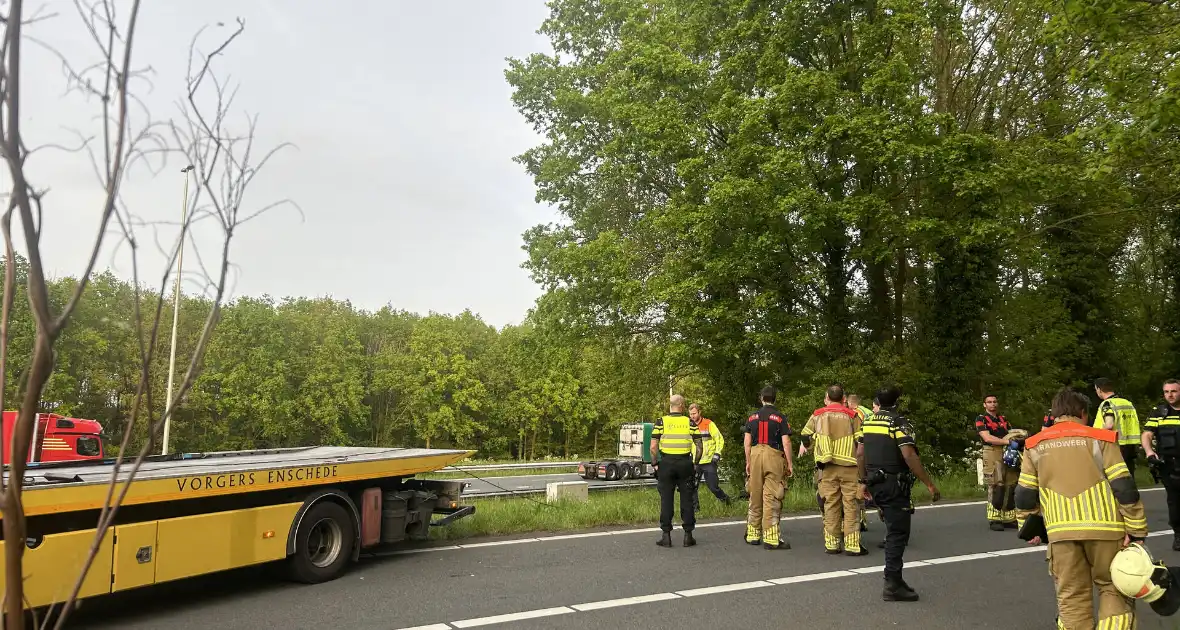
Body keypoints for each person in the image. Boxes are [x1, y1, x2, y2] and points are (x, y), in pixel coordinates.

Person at [1014, 387, 1148, 629]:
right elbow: (1124, 488)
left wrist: (1028, 524)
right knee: (1114, 589)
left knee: (1072, 597)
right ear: (1083, 413)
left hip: (1060, 534)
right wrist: (1137, 531)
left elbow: (1024, 494)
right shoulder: (1101, 439)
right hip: (1106, 531)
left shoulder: (1034, 445)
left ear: (1054, 414)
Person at [858, 384, 939, 601]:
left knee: (893, 527)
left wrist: (863, 480)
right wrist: (929, 484)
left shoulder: (867, 421)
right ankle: (892, 583)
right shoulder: (899, 422)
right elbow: (909, 455)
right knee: (898, 533)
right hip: (893, 483)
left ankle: (896, 579)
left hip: (875, 481)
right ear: (897, 402)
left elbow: (860, 453)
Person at [800, 384, 866, 555]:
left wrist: (811, 444)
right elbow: (861, 442)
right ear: (843, 398)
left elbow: (804, 436)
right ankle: (852, 545)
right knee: (851, 504)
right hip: (850, 466)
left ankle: (832, 544)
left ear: (827, 398)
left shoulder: (818, 415)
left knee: (830, 503)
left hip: (826, 466)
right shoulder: (853, 415)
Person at [650, 394, 704, 548]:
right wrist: (695, 463)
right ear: (682, 406)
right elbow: (699, 446)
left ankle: (666, 536)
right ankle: (688, 536)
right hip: (685, 463)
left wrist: (655, 463)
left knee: (666, 499)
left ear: (670, 406)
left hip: (666, 463)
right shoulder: (690, 422)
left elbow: (653, 446)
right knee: (687, 499)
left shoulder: (661, 422)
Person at [744, 385, 794, 550]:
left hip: (755, 454)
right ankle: (771, 538)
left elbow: (747, 442)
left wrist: (748, 461)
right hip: (773, 456)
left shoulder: (752, 417)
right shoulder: (780, 417)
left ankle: (752, 534)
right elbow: (786, 441)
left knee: (755, 494)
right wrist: (789, 463)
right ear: (775, 398)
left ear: (761, 398)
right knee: (772, 496)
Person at [1143, 379, 1180, 551]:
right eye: (1166, 392)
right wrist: (1150, 452)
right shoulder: (1159, 413)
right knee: (1174, 502)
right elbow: (1147, 435)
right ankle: (1178, 535)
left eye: (1174, 391)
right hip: (1170, 465)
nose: (1170, 395)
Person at [975, 393, 1017, 531]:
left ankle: (1008, 517)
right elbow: (987, 437)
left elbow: (1011, 432)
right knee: (995, 484)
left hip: (1007, 452)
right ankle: (994, 518)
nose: (992, 404)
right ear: (984, 405)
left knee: (1010, 483)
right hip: (992, 451)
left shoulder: (1003, 419)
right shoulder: (981, 419)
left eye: (994, 401)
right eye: (989, 402)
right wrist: (1007, 441)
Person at [1094, 377, 1142, 481]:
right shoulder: (1127, 403)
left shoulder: (1107, 404)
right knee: (1129, 476)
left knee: (1116, 479)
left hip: (1115, 446)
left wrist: (1097, 432)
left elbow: (1109, 424)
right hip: (1131, 446)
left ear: (1099, 389)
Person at [689, 403, 731, 509]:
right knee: (692, 486)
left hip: (709, 461)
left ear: (699, 412)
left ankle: (726, 501)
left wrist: (717, 454)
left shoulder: (709, 424)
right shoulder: (689, 426)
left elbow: (719, 439)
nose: (692, 416)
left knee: (713, 487)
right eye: (690, 414)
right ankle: (695, 509)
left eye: (694, 413)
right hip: (696, 461)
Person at [847, 393, 874, 532]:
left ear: (851, 404)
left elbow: (858, 436)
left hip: (862, 451)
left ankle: (861, 519)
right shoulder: (869, 412)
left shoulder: (856, 413)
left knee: (859, 484)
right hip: (873, 449)